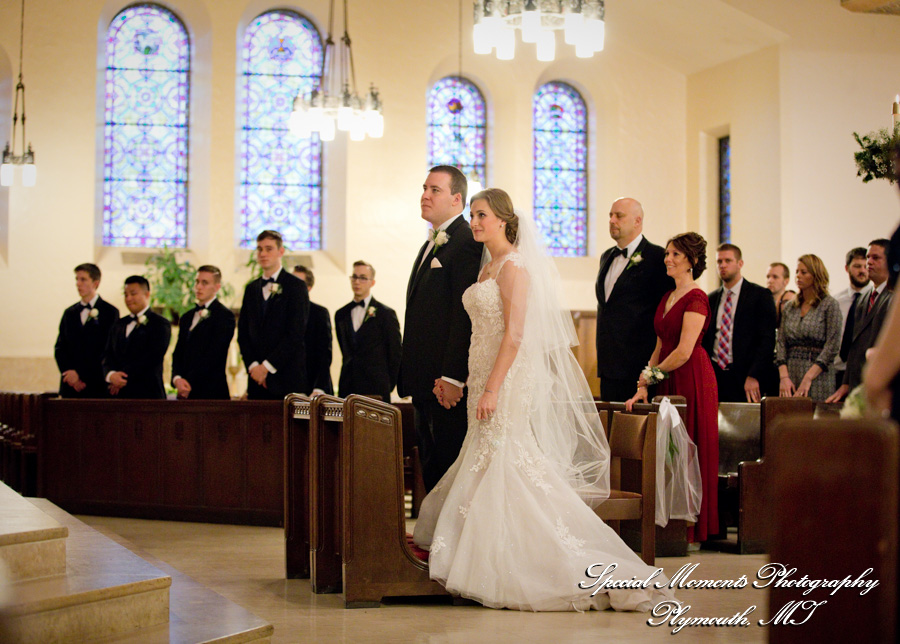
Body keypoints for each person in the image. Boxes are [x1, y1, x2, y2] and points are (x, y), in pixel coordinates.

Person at [413, 188, 672, 612]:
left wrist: (494, 387)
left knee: (506, 460)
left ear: (502, 219)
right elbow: (482, 331)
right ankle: (487, 549)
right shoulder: (486, 269)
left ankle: (525, 560)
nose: (474, 222)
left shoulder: (515, 268)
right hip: (481, 376)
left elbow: (514, 336)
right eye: (473, 216)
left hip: (506, 380)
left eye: (481, 216)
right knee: (485, 458)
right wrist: (473, 380)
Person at [625, 233, 718, 544]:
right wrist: (643, 383)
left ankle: (692, 525)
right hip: (666, 375)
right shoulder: (668, 296)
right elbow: (661, 345)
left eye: (676, 254)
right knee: (667, 450)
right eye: (667, 253)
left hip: (691, 377)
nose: (668, 259)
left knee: (689, 443)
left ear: (691, 261)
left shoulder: (697, 298)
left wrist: (653, 375)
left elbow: (684, 350)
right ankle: (670, 524)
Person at [399, 166, 483, 491]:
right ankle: (435, 536)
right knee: (431, 465)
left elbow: (463, 315)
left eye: (435, 190)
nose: (425, 195)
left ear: (456, 198)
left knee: (448, 464)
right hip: (423, 379)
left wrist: (452, 375)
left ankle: (449, 537)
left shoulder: (465, 242)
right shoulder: (430, 244)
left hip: (443, 382)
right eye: (424, 188)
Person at [595, 198, 673, 402]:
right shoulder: (607, 256)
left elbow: (666, 311)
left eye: (619, 216)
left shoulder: (657, 258)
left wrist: (651, 369)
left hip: (640, 367)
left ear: (638, 221)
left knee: (637, 430)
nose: (612, 220)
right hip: (608, 365)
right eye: (610, 215)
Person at [238, 230, 310, 400]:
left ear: (281, 251)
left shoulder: (296, 287)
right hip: (256, 381)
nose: (263, 254)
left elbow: (295, 333)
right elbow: (243, 333)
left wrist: (267, 367)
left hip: (286, 378)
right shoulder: (251, 288)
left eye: (268, 249)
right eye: (259, 249)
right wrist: (254, 366)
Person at [702, 244, 776, 402]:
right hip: (715, 374)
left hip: (745, 375)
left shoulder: (760, 295)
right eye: (719, 261)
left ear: (740, 263)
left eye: (728, 260)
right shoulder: (711, 299)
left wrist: (754, 375)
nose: (723, 265)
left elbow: (767, 340)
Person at [827, 240, 892, 403]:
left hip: (880, 383)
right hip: (857, 382)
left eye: (876, 258)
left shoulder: (895, 295)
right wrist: (846, 382)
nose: (869, 262)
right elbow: (854, 345)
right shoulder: (864, 297)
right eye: (868, 257)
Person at [775, 254, 842, 401]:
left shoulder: (829, 305)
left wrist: (808, 378)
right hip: (791, 372)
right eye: (797, 272)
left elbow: (832, 346)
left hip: (818, 374)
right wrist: (784, 376)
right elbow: (781, 342)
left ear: (816, 275)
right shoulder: (790, 306)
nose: (798, 276)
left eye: (803, 272)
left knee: (815, 419)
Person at [335, 260, 402, 402]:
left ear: (372, 282)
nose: (357, 282)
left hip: (376, 386)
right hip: (348, 386)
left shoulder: (386, 314)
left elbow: (395, 352)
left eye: (363, 278)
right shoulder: (341, 314)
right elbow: (345, 349)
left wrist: (388, 384)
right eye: (354, 277)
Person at [54, 263, 119, 397]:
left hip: (97, 384)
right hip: (70, 386)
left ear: (96, 283)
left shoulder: (110, 312)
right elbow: (60, 347)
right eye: (77, 279)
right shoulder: (69, 313)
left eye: (83, 279)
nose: (78, 284)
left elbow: (108, 348)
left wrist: (81, 375)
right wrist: (69, 373)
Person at [171, 265, 236, 400]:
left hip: (211, 392)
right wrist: (177, 379)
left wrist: (189, 381)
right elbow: (178, 352)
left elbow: (214, 355)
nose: (198, 287)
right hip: (184, 393)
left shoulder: (225, 316)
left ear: (217, 287)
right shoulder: (187, 317)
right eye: (197, 282)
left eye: (204, 283)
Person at [102, 275, 171, 399]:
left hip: (147, 394)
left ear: (147, 294)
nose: (128, 298)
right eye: (126, 294)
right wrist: (111, 375)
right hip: (117, 396)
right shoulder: (119, 324)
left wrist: (122, 378)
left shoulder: (160, 324)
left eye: (133, 294)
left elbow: (152, 357)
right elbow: (108, 354)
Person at [293, 265, 334, 395]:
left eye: (298, 283)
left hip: (313, 386)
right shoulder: (280, 313)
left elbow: (324, 353)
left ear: (308, 288)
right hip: (288, 387)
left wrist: (319, 387)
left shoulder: (319, 313)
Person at [831, 247, 869, 385]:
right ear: (847, 268)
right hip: (837, 369)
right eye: (857, 266)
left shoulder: (876, 299)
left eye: (866, 266)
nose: (862, 271)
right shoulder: (836, 301)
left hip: (862, 371)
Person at [766, 262, 796, 328]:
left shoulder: (791, 301)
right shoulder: (762, 302)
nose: (770, 280)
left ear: (786, 281)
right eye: (768, 277)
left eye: (775, 277)